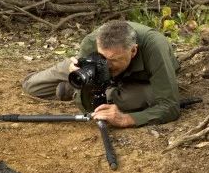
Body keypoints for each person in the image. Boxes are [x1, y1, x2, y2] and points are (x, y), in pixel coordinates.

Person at [22, 20, 180, 127]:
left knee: (133, 99)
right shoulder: (91, 42)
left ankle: (104, 92)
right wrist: (79, 74)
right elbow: (85, 106)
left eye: (114, 60)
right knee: (32, 87)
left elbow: (170, 106)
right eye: (102, 58)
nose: (107, 65)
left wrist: (125, 119)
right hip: (98, 77)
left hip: (141, 80)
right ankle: (92, 88)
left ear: (133, 51)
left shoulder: (155, 47)